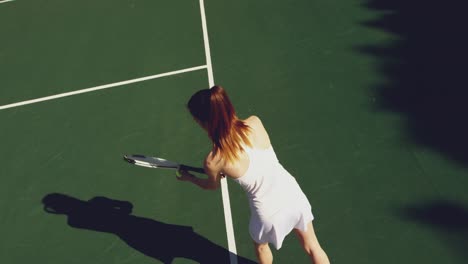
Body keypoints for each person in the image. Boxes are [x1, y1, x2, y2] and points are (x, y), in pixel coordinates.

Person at [176, 86, 330, 264]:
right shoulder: (255, 122)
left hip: (267, 213)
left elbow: (212, 185)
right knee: (313, 246)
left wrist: (190, 178)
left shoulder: (214, 161)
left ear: (205, 122)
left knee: (261, 247)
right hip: (292, 193)